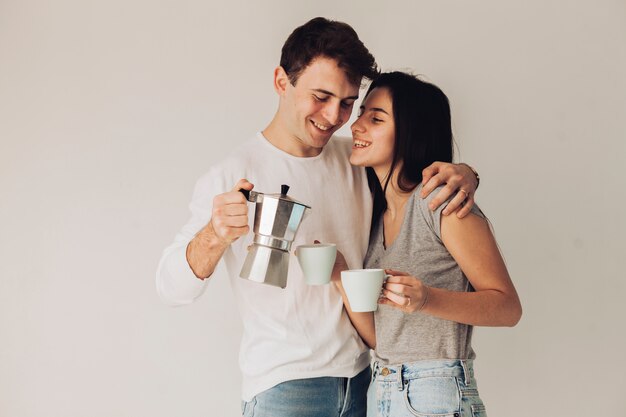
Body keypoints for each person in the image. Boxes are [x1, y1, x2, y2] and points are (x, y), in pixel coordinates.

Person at [156, 19, 480, 417]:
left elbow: (414, 160)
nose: (334, 116)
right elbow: (171, 290)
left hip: (370, 381)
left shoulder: (357, 159)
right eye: (321, 96)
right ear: (281, 81)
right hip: (284, 388)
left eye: (347, 102)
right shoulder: (230, 173)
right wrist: (213, 235)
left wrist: (465, 172)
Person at [331, 72, 522, 417]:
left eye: (375, 118)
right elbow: (382, 339)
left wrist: (427, 298)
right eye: (362, 113)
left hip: (434, 389)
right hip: (384, 386)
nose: (356, 125)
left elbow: (508, 308)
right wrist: (340, 277)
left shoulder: (440, 203)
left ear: (410, 132)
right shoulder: (378, 217)